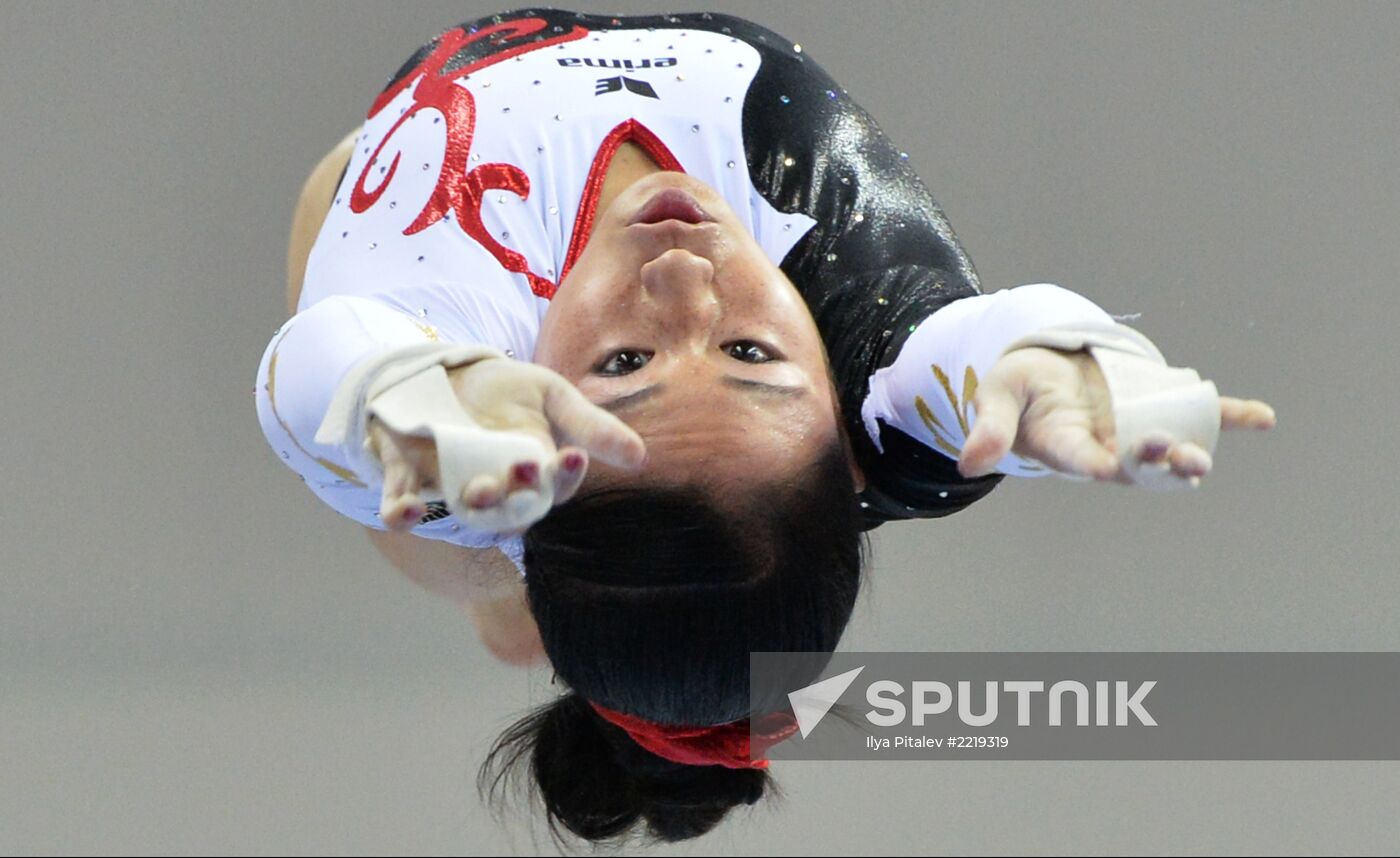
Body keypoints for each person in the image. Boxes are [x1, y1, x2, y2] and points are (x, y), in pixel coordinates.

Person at [257, 8, 1276, 845]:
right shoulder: (880, 372)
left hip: (451, 392)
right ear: (847, 432)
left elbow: (317, 371)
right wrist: (1053, 351)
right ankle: (522, 600)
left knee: (438, 522)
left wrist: (401, 385)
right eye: (750, 355)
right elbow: (965, 353)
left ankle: (500, 592)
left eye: (625, 365)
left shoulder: (458, 313)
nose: (684, 283)